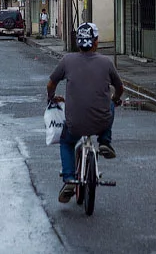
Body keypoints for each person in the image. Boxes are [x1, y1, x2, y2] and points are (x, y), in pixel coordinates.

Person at [46, 22, 124, 204]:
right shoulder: (106, 62)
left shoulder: (67, 60)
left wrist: (51, 98)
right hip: (101, 121)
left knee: (66, 142)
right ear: (96, 42)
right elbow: (119, 87)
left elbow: (51, 83)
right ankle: (105, 141)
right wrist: (116, 99)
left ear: (78, 42)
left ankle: (68, 178)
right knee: (110, 104)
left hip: (75, 123)